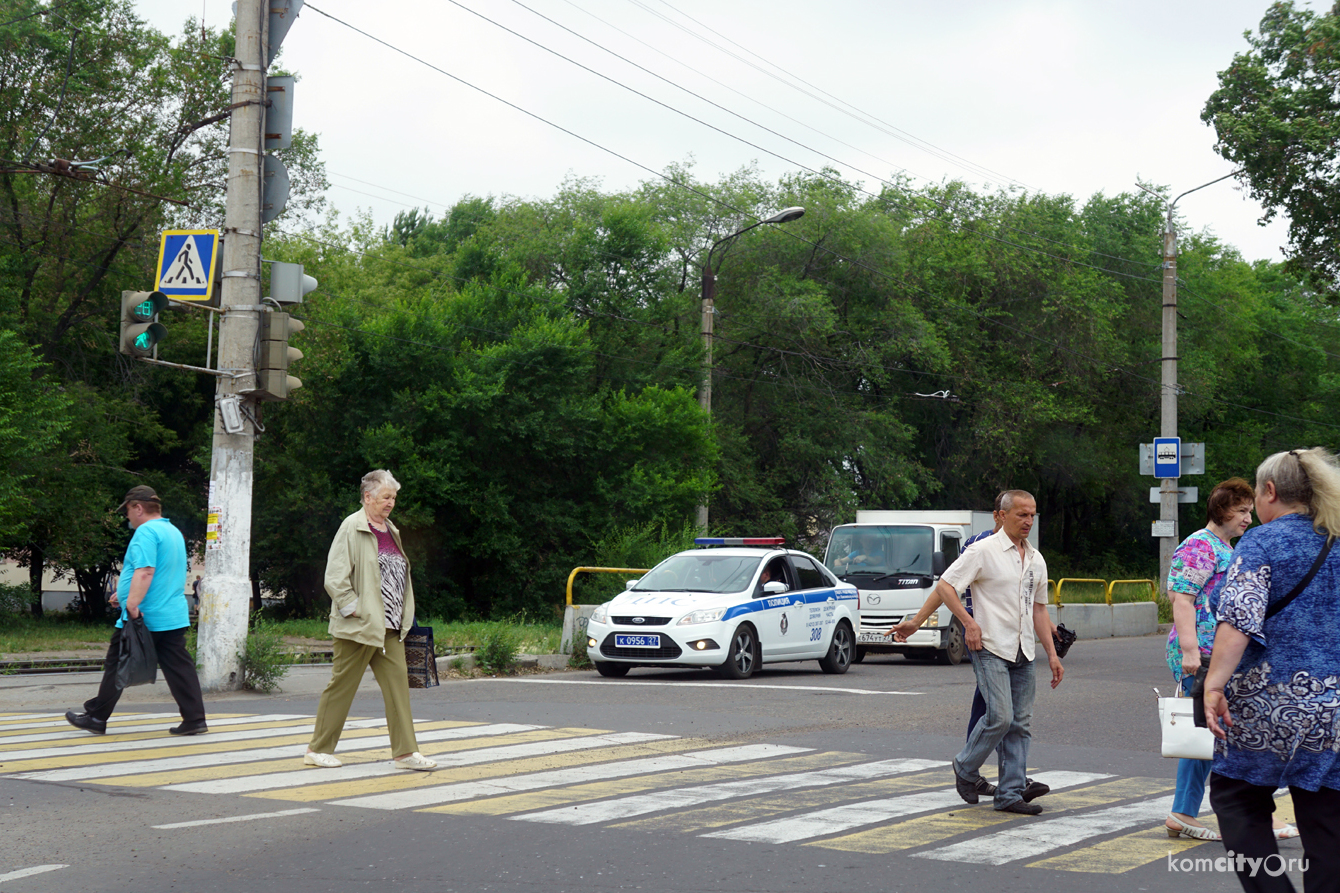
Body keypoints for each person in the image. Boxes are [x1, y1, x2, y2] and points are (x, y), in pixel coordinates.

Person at [1206, 448, 1340, 892]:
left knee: (1238, 798)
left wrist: (1213, 685)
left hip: (1270, 702)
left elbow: (1239, 618)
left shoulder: (1265, 541)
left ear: (1269, 491)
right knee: (1327, 817)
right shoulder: (1336, 538)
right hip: (1335, 709)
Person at [902, 490, 1061, 814]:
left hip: (1023, 652)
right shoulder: (982, 550)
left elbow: (1039, 611)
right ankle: (965, 767)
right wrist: (967, 623)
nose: (1028, 521)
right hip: (989, 647)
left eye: (1032, 515)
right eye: (1021, 514)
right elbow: (946, 585)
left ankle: (1009, 794)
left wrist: (1053, 655)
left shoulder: (1036, 558)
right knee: (1000, 717)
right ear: (1001, 515)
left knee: (1020, 724)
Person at [1163, 478, 1298, 841]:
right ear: (1222, 510)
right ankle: (1248, 813)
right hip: (1204, 652)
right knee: (1219, 730)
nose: (1248, 519)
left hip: (1220, 652)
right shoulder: (1199, 545)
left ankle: (1185, 811)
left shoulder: (1225, 547)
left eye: (1249, 511)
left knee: (1211, 731)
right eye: (1241, 511)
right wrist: (1191, 649)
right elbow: (1181, 599)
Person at [305, 470, 436, 771]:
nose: (390, 503)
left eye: (393, 498)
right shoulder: (352, 527)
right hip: (359, 626)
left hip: (390, 628)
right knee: (342, 687)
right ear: (367, 497)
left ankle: (405, 752)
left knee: (398, 688)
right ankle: (317, 749)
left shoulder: (390, 529)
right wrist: (355, 609)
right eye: (385, 497)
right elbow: (335, 577)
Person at [65, 486, 206, 736]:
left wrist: (131, 605)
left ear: (138, 508)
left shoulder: (146, 532)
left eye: (128, 510)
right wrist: (125, 593)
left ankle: (97, 718)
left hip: (144, 616)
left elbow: (146, 571)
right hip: (171, 615)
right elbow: (162, 572)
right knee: (179, 667)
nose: (127, 517)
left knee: (116, 663)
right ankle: (195, 719)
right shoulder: (172, 532)